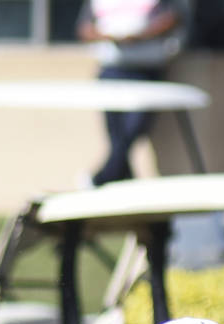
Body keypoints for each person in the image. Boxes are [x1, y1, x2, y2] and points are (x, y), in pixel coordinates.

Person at [77, 0, 185, 186]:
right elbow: (84, 28)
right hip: (112, 68)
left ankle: (101, 178)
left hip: (147, 68)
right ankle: (124, 181)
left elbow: (173, 18)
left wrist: (140, 36)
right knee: (117, 134)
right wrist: (110, 37)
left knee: (134, 128)